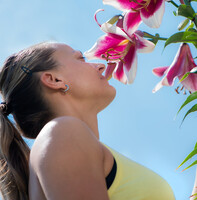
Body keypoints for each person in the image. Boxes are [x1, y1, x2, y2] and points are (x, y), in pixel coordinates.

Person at [0, 42, 195, 200]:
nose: (101, 65)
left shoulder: (66, 140)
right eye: (81, 58)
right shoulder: (62, 133)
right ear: (54, 79)